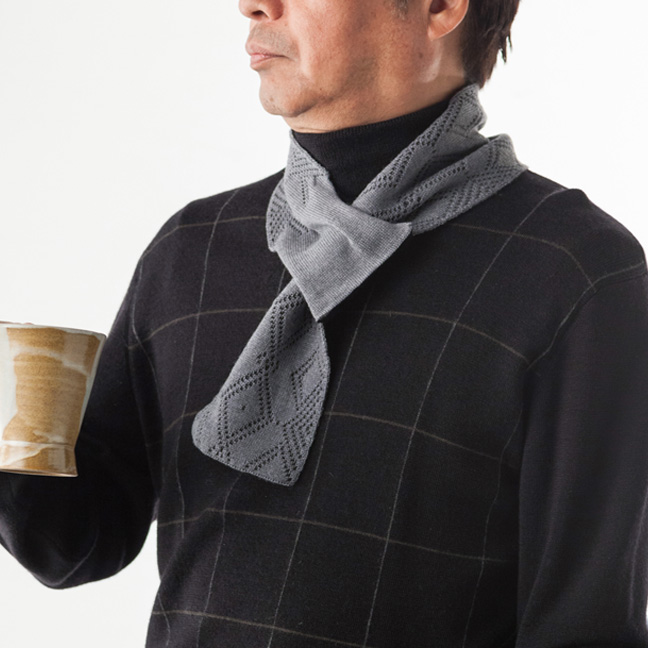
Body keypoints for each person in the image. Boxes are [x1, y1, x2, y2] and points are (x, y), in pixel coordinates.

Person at [1, 0, 648, 645]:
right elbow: (76, 542)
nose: (253, 4)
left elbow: (583, 623)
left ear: (440, 7)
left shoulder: (572, 273)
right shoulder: (194, 249)